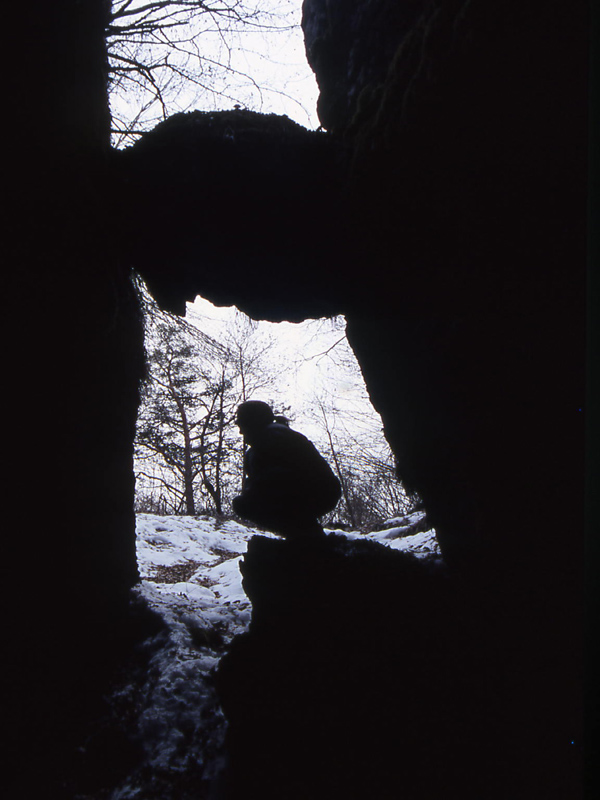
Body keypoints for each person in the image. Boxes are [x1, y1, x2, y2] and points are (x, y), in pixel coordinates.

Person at [232, 400, 342, 540]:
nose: (240, 431)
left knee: (245, 504)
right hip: (318, 493)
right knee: (246, 502)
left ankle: (304, 534)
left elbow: (274, 479)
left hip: (316, 493)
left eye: (242, 425)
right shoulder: (269, 439)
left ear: (252, 424)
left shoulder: (272, 439)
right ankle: (300, 533)